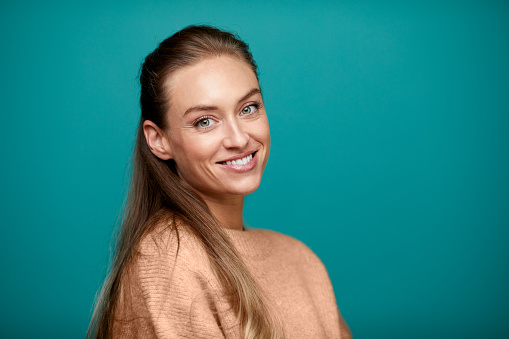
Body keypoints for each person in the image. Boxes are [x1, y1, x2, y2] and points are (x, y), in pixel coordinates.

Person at [87, 25, 351, 339]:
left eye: (248, 108)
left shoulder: (300, 260)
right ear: (159, 140)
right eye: (205, 121)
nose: (240, 138)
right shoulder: (168, 260)